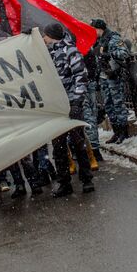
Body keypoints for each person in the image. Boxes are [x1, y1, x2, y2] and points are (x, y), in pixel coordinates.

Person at [43, 24, 94, 197]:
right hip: (56, 107)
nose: (44, 39)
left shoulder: (70, 51)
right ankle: (64, 183)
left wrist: (77, 102)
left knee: (78, 143)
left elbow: (81, 76)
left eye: (45, 35)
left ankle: (87, 180)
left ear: (52, 35)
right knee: (58, 148)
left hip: (71, 105)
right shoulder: (48, 53)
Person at [90, 19, 131, 143]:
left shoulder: (113, 38)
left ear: (99, 29)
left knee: (118, 104)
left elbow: (124, 53)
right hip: (104, 76)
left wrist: (108, 54)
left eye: (93, 29)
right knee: (108, 105)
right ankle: (116, 132)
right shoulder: (97, 41)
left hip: (114, 76)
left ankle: (123, 132)